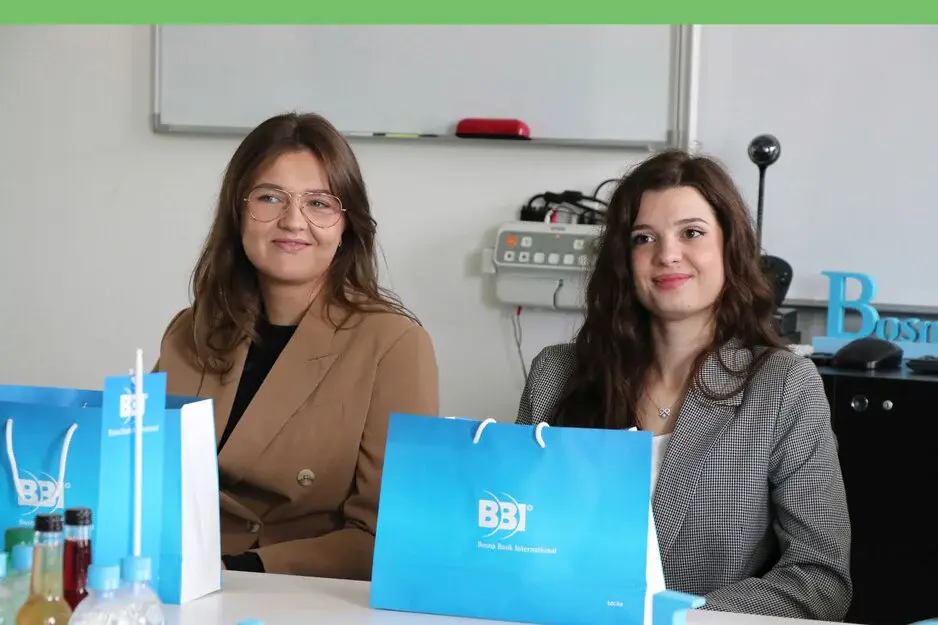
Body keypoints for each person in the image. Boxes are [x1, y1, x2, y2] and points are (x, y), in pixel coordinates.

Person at [515, 150, 852, 620]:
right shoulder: (555, 374)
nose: (667, 254)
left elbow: (820, 579)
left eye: (691, 232)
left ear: (729, 248)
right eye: (644, 238)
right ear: (623, 260)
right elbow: (516, 542)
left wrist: (676, 617)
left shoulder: (783, 386)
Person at [153, 112, 439, 580]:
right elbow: (146, 479)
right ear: (237, 213)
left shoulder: (394, 345)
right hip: (173, 576)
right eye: (270, 197)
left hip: (292, 589)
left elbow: (388, 532)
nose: (292, 221)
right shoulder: (190, 329)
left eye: (319, 203)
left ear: (346, 225)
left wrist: (240, 568)